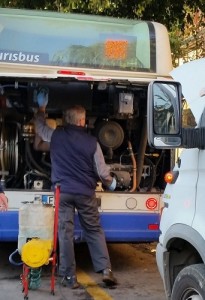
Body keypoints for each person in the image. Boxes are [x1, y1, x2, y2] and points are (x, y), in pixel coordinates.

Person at [34, 92, 117, 289]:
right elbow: (102, 172)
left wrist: (41, 109)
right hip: (85, 193)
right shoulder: (92, 143)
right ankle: (105, 270)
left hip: (62, 192)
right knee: (94, 229)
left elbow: (39, 127)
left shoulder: (56, 136)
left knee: (65, 232)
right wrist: (111, 183)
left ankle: (69, 277)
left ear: (66, 120)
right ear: (81, 121)